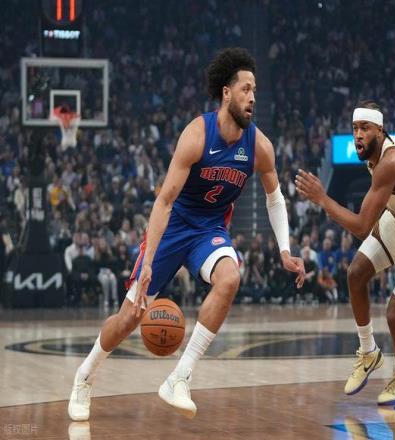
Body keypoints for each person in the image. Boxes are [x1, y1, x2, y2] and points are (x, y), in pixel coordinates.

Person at [68, 47, 304, 421]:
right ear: (226, 92)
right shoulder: (196, 135)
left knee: (230, 278)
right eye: (245, 89)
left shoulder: (260, 147)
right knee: (129, 317)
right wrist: (147, 262)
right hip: (174, 227)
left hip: (209, 230)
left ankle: (180, 377)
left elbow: (274, 198)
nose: (252, 97)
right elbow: (164, 202)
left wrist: (285, 249)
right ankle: (85, 375)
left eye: (255, 90)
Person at [296, 100, 395, 405]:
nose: (358, 134)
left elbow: (361, 227)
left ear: (380, 131)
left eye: (365, 128)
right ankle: (368, 352)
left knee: (394, 314)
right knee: (355, 274)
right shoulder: (374, 155)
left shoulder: (390, 162)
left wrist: (322, 199)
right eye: (355, 128)